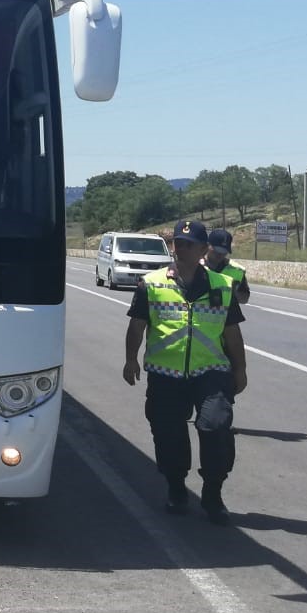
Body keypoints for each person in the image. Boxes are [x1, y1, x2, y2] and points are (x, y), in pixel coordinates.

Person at [123, 218, 248, 523]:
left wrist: (240, 370)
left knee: (215, 426)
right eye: (178, 243)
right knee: (168, 433)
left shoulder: (222, 286)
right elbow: (137, 326)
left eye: (189, 244)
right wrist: (131, 359)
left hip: (211, 371)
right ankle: (177, 488)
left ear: (204, 249)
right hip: (166, 374)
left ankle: (213, 492)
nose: (182, 248)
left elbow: (232, 333)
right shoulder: (151, 283)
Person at [204, 228, 251, 304]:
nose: (219, 254)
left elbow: (244, 300)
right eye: (217, 250)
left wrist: (234, 291)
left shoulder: (237, 270)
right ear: (207, 246)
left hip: (225, 315)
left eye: (224, 252)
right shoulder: (195, 265)